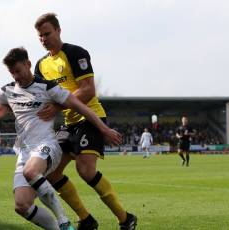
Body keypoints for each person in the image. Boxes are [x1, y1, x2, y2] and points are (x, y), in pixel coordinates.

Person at [0, 47, 122, 230]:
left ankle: (64, 221)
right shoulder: (8, 90)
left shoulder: (48, 87)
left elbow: (80, 107)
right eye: (12, 73)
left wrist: (104, 129)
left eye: (18, 71)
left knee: (31, 172)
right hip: (25, 151)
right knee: (22, 205)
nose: (16, 76)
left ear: (28, 64)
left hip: (47, 146)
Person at [33, 13, 137, 230]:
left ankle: (125, 219)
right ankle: (86, 219)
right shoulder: (41, 65)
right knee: (51, 172)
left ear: (59, 31)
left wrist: (58, 107)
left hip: (91, 117)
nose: (43, 39)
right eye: (40, 36)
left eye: (47, 33)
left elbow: (88, 90)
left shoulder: (75, 53)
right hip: (68, 123)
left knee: (85, 170)